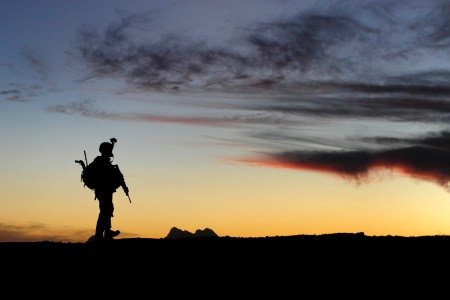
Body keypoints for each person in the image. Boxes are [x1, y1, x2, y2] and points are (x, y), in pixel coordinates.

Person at [88, 138, 130, 242]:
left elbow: (117, 176)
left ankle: (106, 232)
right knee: (105, 211)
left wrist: (123, 185)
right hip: (103, 190)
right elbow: (110, 176)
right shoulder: (100, 162)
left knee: (107, 210)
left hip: (106, 190)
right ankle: (101, 235)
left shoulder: (103, 162)